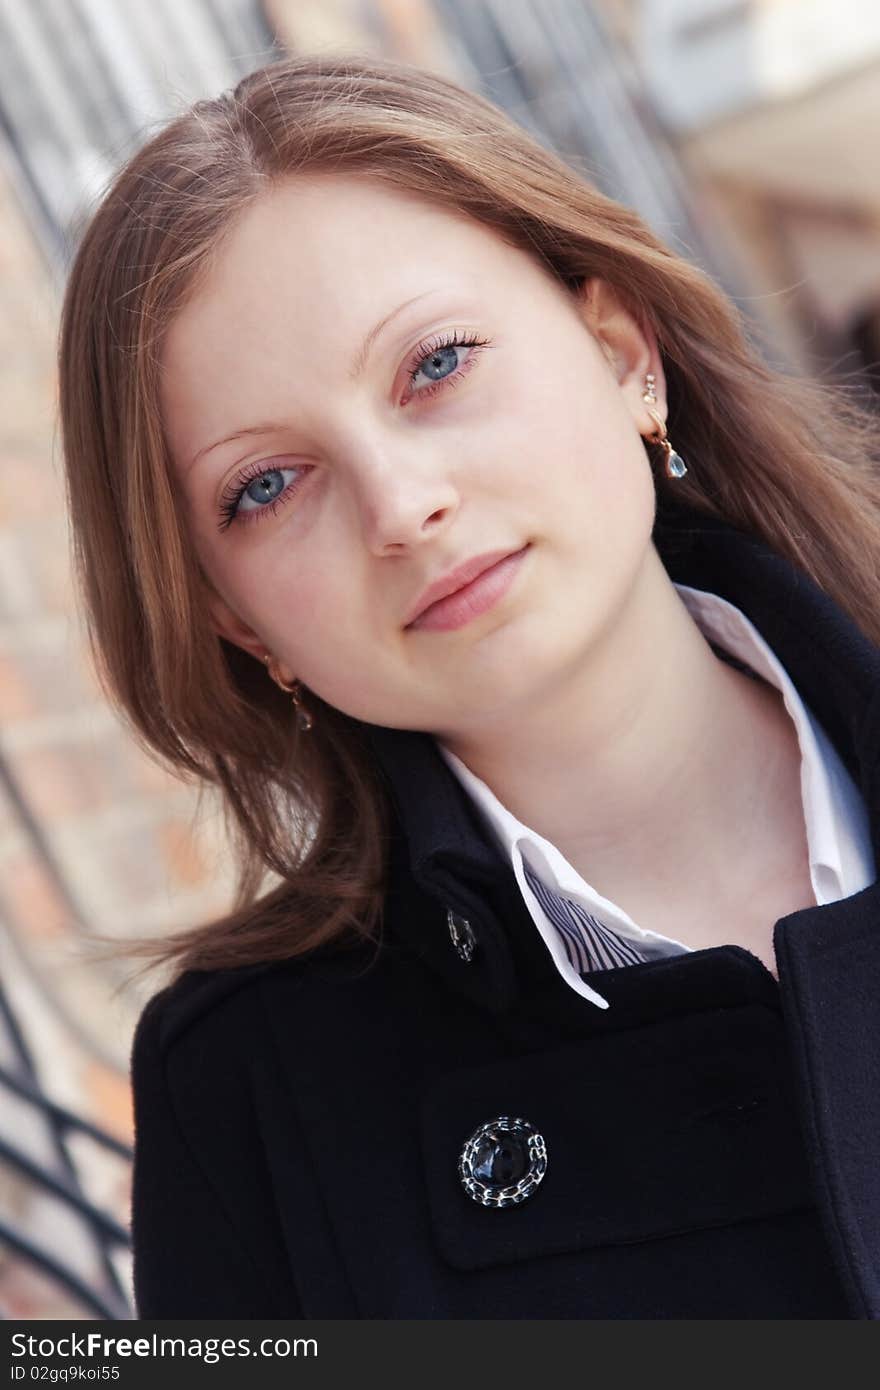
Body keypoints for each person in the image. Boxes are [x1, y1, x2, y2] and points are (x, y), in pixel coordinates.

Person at [57, 52, 880, 1319]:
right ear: (234, 619)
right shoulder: (249, 1090)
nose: (400, 507)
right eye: (266, 486)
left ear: (619, 355)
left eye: (435, 365)